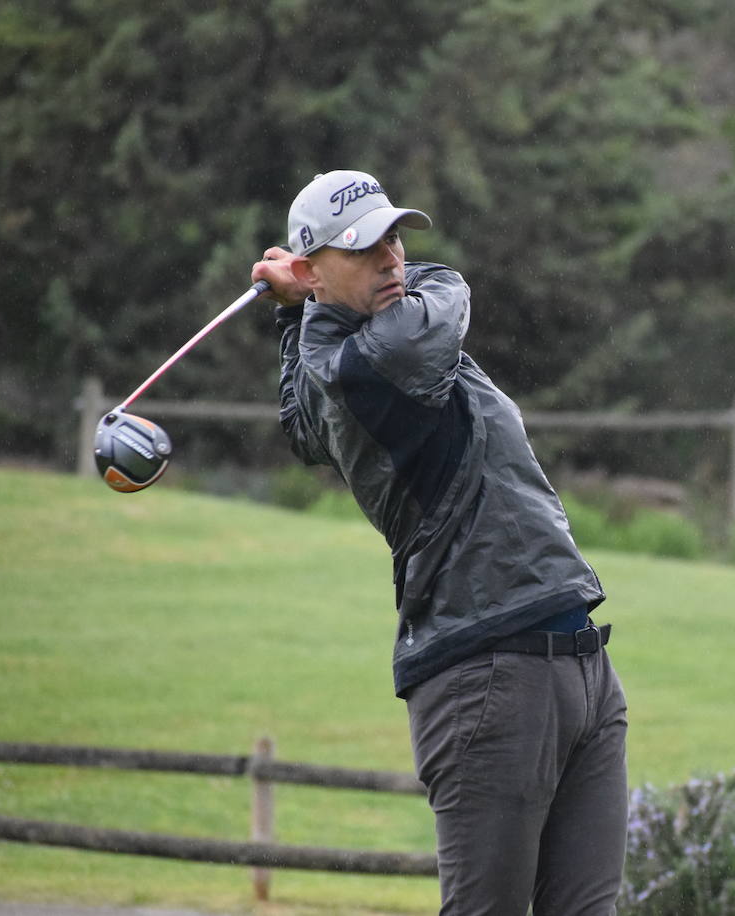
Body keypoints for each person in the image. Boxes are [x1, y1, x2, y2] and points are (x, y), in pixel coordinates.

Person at [251, 170, 628, 915]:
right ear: (317, 268)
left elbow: (299, 426)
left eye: (394, 236)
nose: (393, 259)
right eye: (364, 248)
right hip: (490, 675)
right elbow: (449, 286)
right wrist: (304, 303)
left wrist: (294, 310)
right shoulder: (381, 354)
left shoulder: (341, 349)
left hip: (577, 664)